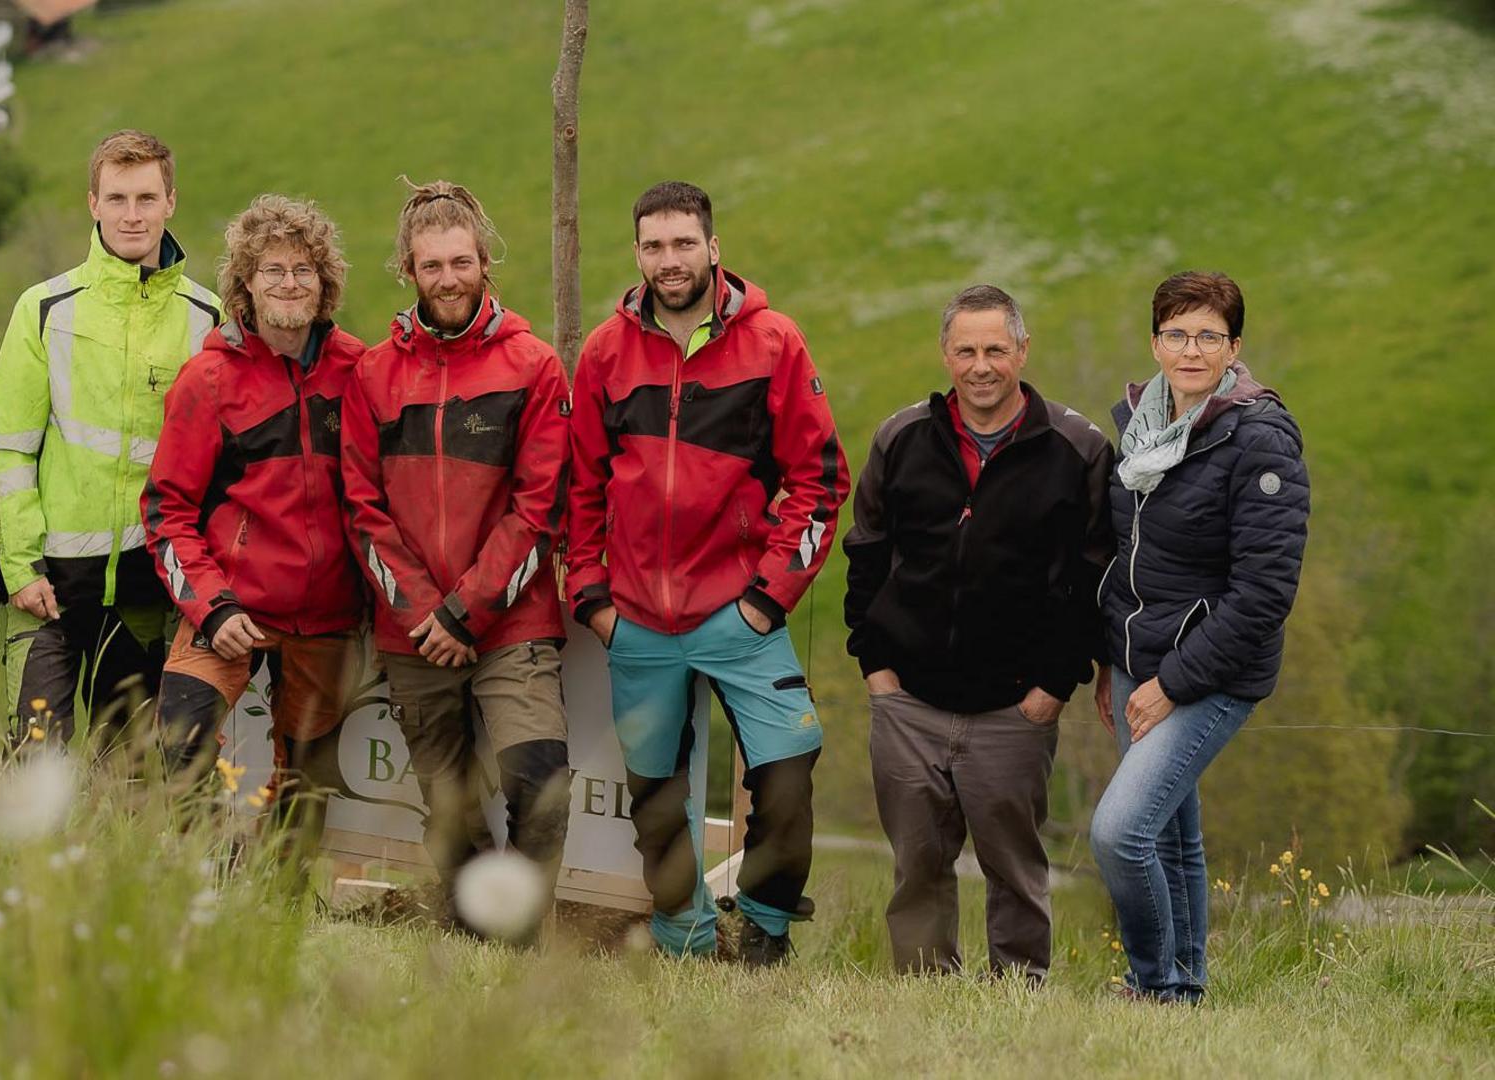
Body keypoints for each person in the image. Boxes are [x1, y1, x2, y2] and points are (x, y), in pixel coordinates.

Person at [566, 180, 848, 964]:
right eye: (654, 246)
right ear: (638, 255)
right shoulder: (604, 353)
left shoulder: (772, 343)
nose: (670, 260)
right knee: (655, 800)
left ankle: (764, 924)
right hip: (638, 621)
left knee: (788, 772)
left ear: (713, 247)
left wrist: (768, 595)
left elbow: (821, 480)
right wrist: (591, 599)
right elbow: (579, 488)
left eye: (684, 243)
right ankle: (683, 936)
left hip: (739, 614)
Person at [841, 284, 1112, 981]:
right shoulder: (901, 438)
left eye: (996, 349)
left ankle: (1017, 996)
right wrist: (878, 672)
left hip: (1015, 709)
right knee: (917, 871)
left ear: (1023, 351)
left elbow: (1092, 579)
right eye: (966, 350)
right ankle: (925, 995)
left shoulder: (1076, 449)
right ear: (945, 355)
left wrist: (1056, 684)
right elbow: (866, 552)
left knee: (1016, 873)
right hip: (909, 704)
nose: (981, 365)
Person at [339, 179, 571, 921]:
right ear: (409, 270)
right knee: (447, 805)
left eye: (461, 261)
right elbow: (361, 510)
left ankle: (522, 930)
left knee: (540, 780)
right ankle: (475, 924)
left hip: (510, 625)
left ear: (485, 261)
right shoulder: (373, 374)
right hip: (411, 632)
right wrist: (422, 615)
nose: (448, 278)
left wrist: (466, 612)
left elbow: (541, 507)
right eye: (432, 264)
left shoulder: (533, 365)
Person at [1090, 271, 1308, 1003]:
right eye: (1178, 333)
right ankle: (1181, 993)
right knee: (1174, 838)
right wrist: (1108, 657)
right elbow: (1124, 554)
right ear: (1156, 343)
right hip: (1134, 658)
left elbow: (1265, 595)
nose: (1192, 349)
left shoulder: (1260, 438)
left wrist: (1171, 684)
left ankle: (1151, 985)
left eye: (1209, 335)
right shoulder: (1137, 425)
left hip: (1211, 673)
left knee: (1121, 834)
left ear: (1234, 347)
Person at [0, 130, 220, 755]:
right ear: (93, 203)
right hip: (48, 590)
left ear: (171, 202)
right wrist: (20, 568)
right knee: (36, 767)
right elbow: (7, 451)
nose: (132, 214)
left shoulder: (208, 318)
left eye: (146, 197)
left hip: (149, 592)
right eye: (117, 198)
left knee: (131, 781)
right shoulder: (43, 308)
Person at [142, 194, 366, 833]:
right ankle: (207, 876)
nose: (290, 283)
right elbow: (167, 513)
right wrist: (213, 605)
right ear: (246, 282)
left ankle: (281, 901)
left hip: (326, 615)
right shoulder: (207, 379)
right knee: (181, 740)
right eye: (273, 270)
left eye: (304, 270)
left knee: (307, 787)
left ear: (324, 284)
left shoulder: (357, 368)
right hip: (231, 607)